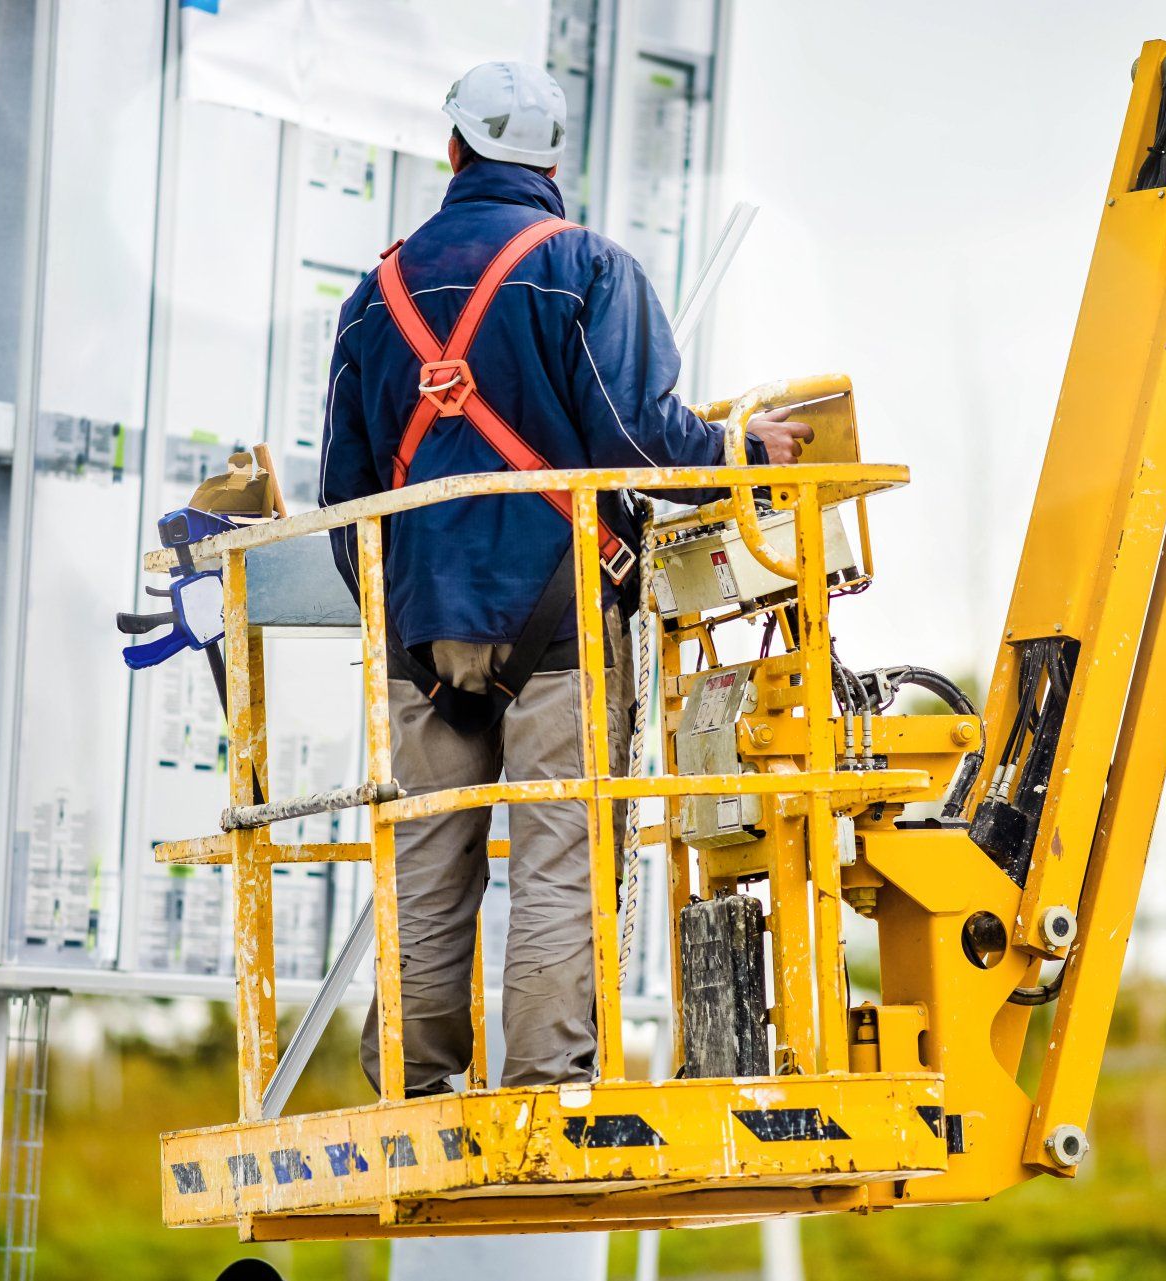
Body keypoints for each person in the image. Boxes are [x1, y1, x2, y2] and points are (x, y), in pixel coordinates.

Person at [319, 60, 809, 1094]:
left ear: (453, 151)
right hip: (559, 625)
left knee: (424, 865)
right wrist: (744, 450)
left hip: (420, 632)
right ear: (552, 160)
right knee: (557, 856)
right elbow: (641, 440)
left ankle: (414, 1086)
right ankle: (547, 1082)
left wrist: (401, 618)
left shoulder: (377, 297)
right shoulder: (587, 268)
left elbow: (346, 501)